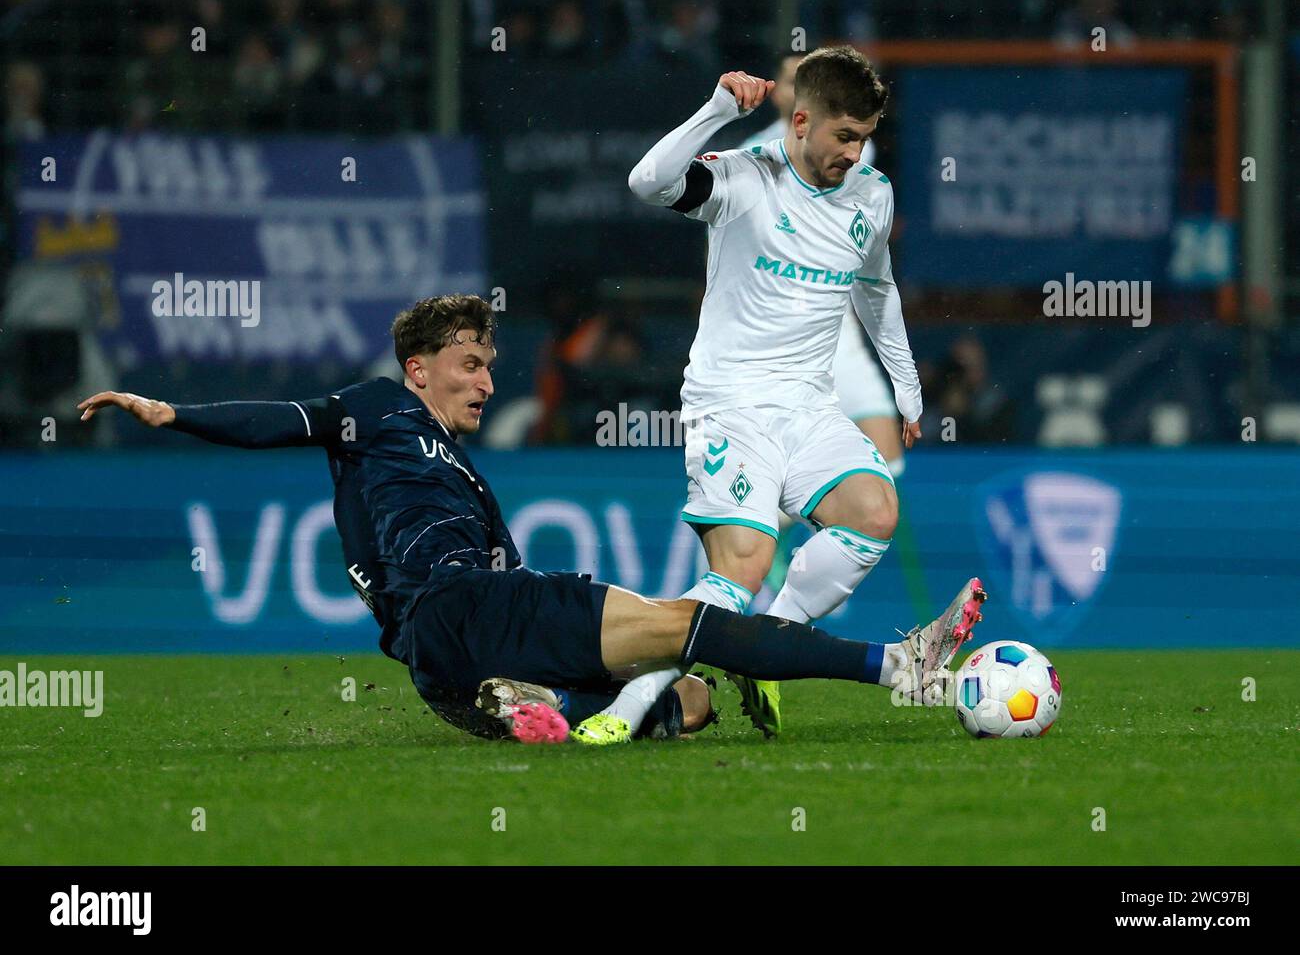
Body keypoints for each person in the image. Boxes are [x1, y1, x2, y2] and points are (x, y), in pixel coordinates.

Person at [78, 294, 984, 746]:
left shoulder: (457, 473)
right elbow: (283, 420)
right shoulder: (376, 409)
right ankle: (898, 667)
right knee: (691, 626)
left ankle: (533, 701)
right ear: (416, 367)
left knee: (682, 700)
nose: (485, 381)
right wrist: (173, 413)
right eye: (468, 364)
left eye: (488, 365)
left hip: (441, 671)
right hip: (464, 604)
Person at [599, 46, 931, 742]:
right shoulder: (746, 179)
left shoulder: (872, 193)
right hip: (732, 406)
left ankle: (767, 647)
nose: (855, 152)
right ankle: (621, 712)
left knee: (874, 511)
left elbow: (876, 289)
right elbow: (646, 180)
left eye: (866, 137)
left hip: (809, 407)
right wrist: (718, 111)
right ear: (802, 120)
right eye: (845, 136)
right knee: (741, 569)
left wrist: (906, 386)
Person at [739, 51, 906, 600]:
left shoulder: (846, 142)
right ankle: (772, 536)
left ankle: (794, 533)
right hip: (779, 338)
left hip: (841, 338)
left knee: (890, 454)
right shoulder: (749, 155)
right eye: (783, 78)